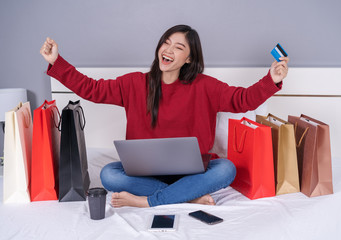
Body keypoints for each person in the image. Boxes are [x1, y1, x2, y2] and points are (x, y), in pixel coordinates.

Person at [40, 24, 289, 208]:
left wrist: (271, 80)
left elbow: (241, 99)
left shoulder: (206, 86)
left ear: (189, 58)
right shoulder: (134, 84)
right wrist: (57, 62)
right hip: (145, 173)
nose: (168, 49)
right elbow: (92, 89)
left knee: (226, 168)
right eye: (166, 42)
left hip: (192, 173)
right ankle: (189, 197)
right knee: (108, 174)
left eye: (178, 47)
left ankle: (147, 201)